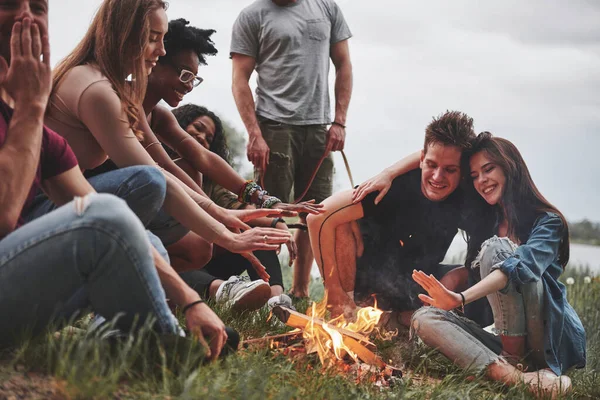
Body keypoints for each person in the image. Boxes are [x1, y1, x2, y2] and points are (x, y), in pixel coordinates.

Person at [0, 0, 229, 360]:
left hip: (23, 276)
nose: (27, 17)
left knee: (143, 237)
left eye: (39, 8)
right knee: (125, 204)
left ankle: (124, 339)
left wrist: (190, 301)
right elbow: (4, 217)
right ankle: (164, 346)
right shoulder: (75, 92)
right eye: (9, 4)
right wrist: (30, 109)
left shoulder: (39, 121)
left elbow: (110, 204)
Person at [44, 0, 293, 293]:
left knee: (164, 246)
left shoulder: (119, 94)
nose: (160, 49)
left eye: (162, 40)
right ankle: (199, 296)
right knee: (149, 186)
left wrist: (235, 209)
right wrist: (227, 233)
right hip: (44, 207)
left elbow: (189, 162)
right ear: (125, 33)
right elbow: (156, 173)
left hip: (71, 200)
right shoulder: (97, 91)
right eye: (153, 38)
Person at [410, 132, 585, 397]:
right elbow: (436, 164)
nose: (482, 181)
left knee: (497, 248)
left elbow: (515, 268)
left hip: (542, 337)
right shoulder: (484, 222)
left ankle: (518, 364)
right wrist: (389, 173)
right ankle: (516, 378)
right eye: (475, 176)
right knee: (423, 318)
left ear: (509, 167)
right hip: (501, 337)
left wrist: (458, 298)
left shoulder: (548, 222)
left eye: (488, 169)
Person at [306, 111, 477, 326]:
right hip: (367, 283)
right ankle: (347, 313)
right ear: (422, 159)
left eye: (450, 170)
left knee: (473, 272)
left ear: (463, 172)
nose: (437, 177)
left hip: (413, 288)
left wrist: (454, 279)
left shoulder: (466, 197)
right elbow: (317, 218)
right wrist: (333, 290)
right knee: (342, 221)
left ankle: (401, 321)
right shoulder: (391, 187)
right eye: (432, 165)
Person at [231, 0, 353, 298]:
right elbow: (239, 80)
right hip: (273, 128)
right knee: (268, 210)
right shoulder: (252, 16)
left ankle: (299, 292)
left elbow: (344, 64)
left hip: (318, 128)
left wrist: (339, 121)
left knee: (317, 213)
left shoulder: (327, 8)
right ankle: (273, 291)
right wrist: (254, 134)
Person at [171, 104, 295, 309]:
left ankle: (276, 303)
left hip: (207, 258)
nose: (202, 137)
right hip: (174, 258)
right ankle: (225, 291)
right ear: (177, 126)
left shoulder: (210, 180)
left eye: (209, 138)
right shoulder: (151, 163)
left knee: (255, 233)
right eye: (198, 128)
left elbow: (238, 207)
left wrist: (276, 222)